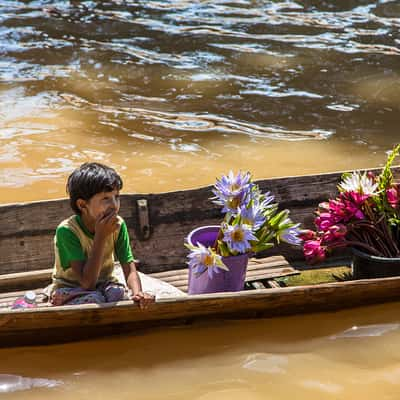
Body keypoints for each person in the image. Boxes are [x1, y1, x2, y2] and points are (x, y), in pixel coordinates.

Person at [49, 162, 154, 309]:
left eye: (116, 197)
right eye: (105, 198)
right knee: (93, 298)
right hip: (72, 288)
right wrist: (101, 236)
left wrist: (138, 293)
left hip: (104, 283)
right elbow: (87, 283)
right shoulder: (67, 231)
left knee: (117, 292)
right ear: (82, 205)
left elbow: (128, 267)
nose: (114, 204)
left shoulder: (118, 225)